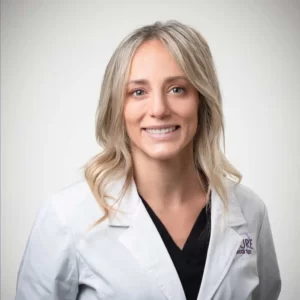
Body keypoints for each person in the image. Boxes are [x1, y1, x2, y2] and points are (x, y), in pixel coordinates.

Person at [15, 20, 281, 300]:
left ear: (201, 100)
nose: (158, 109)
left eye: (177, 89)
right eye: (138, 92)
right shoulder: (67, 216)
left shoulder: (250, 211)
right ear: (118, 106)